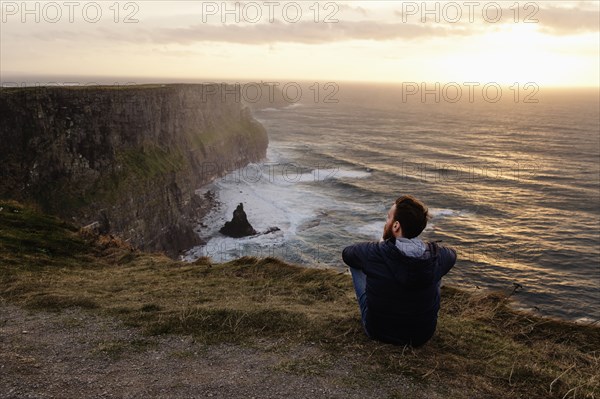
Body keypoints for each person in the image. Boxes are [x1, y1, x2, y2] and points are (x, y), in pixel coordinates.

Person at [342, 195, 457, 347]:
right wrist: (425, 248)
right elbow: (452, 254)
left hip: (378, 331)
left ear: (396, 226)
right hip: (420, 337)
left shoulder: (373, 252)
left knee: (357, 263)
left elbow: (347, 254)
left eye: (388, 218)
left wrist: (381, 248)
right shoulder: (436, 255)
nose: (386, 222)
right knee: (435, 268)